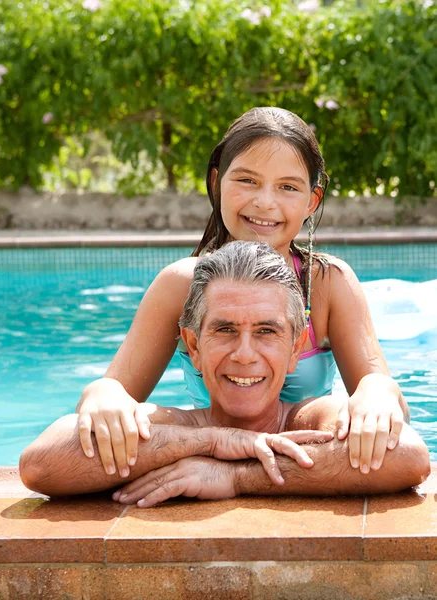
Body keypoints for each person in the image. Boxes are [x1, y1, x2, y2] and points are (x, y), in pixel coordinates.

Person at [76, 107, 409, 482]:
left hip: (303, 469)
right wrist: (102, 393)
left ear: (311, 202)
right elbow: (115, 399)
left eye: (287, 187)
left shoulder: (328, 282)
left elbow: (388, 407)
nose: (265, 202)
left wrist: (378, 390)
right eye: (247, 181)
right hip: (208, 454)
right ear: (217, 183)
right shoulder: (181, 286)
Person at [19, 242, 429, 505]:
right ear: (193, 347)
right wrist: (217, 440)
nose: (244, 354)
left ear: (295, 350)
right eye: (225, 330)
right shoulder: (174, 425)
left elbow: (408, 457)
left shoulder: (314, 418)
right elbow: (40, 464)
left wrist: (234, 476)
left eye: (266, 331)